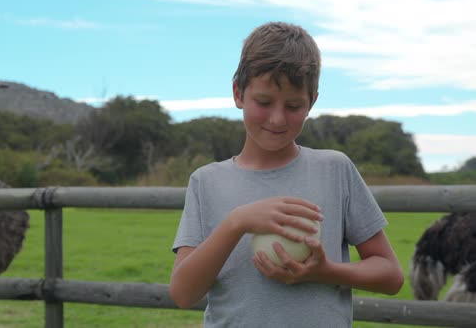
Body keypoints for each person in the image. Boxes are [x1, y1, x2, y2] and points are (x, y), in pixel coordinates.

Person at [169, 21, 404, 327]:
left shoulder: (335, 170)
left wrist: (325, 272)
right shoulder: (206, 181)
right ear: (238, 93)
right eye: (263, 102)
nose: (278, 119)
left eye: (294, 105)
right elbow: (183, 293)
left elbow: (390, 275)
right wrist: (237, 222)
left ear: (312, 102)